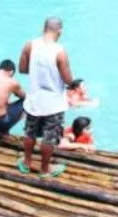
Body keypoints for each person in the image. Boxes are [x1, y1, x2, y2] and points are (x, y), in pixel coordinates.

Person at [19, 17, 74, 177]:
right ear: (60, 31)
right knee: (49, 137)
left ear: (43, 28)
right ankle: (45, 169)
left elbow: (22, 68)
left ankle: (27, 162)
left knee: (29, 133)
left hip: (34, 101)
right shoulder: (60, 51)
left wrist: (38, 72)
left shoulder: (30, 45)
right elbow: (67, 79)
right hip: (53, 104)